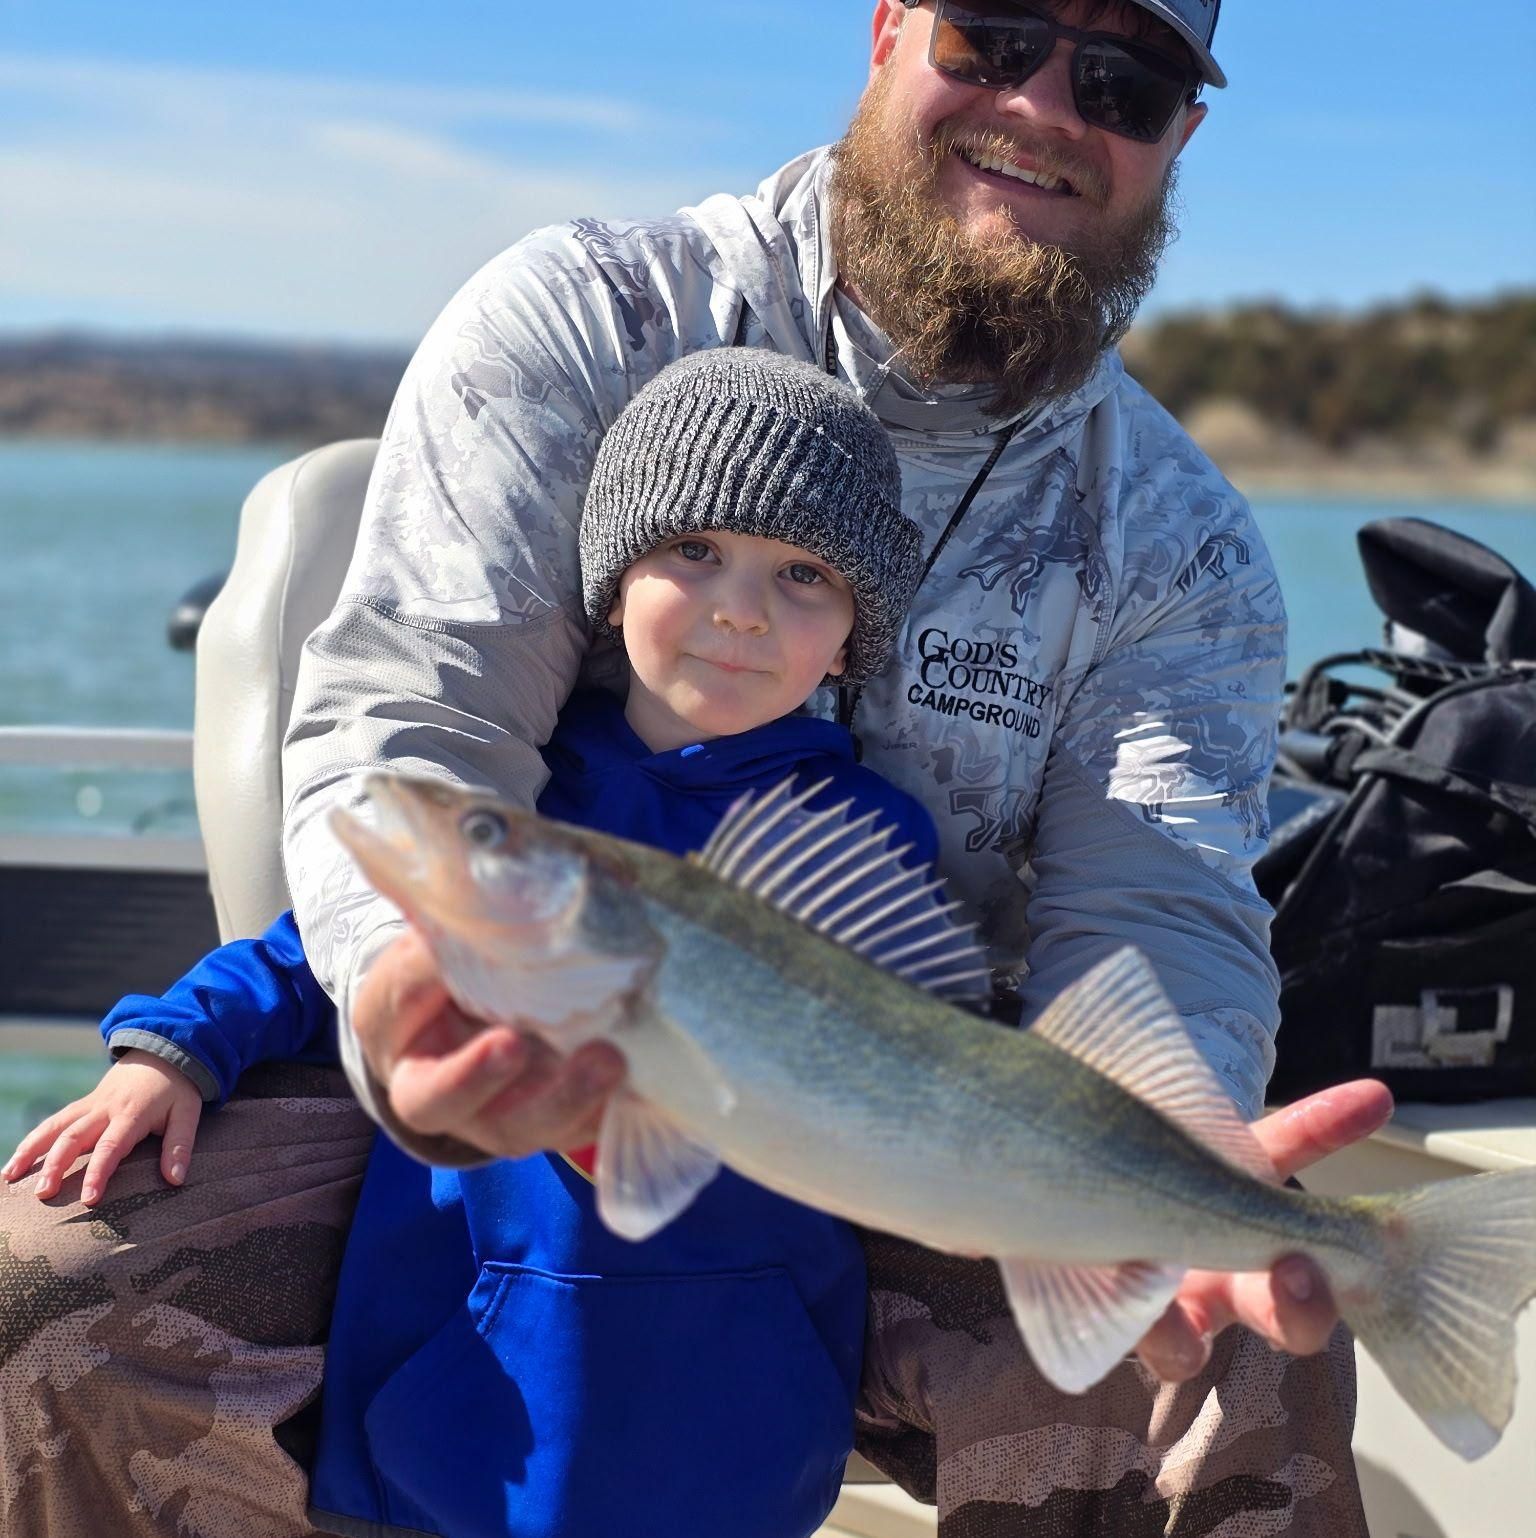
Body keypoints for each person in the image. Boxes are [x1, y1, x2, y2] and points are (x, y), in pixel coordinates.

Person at [277, 1, 1383, 1531]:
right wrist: (406, 985)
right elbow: (418, 723)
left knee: (1252, 1358)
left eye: (1122, 80)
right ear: (887, 29)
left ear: (1178, 136)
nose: (1045, 105)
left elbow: (1157, 911)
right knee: (51, 1283)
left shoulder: (1180, 538)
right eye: (994, 33)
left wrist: (1168, 1161)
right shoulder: (588, 317)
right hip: (520, 1079)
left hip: (942, 1126)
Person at [6, 350, 978, 1538]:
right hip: (465, 1376)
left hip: (737, 1392)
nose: (740, 606)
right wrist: (172, 1048)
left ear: (854, 634)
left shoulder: (868, 839)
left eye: (804, 574)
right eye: (694, 549)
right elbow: (320, 942)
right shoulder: (512, 798)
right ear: (612, 583)